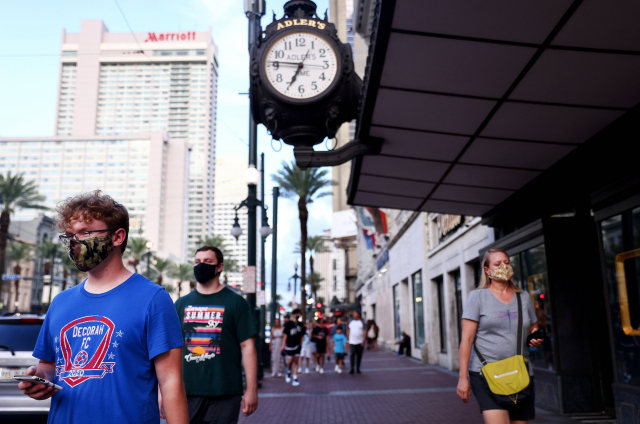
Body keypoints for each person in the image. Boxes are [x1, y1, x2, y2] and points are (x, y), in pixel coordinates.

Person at [18, 191, 188, 423]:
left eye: (85, 233)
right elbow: (49, 366)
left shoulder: (153, 298)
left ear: (117, 237)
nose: (75, 242)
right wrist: (39, 379)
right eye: (69, 235)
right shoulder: (60, 302)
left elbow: (171, 382)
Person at [457, 248, 544, 424]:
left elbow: (533, 326)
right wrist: (462, 378)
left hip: (520, 372)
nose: (503, 266)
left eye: (506, 263)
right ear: (487, 270)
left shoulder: (524, 297)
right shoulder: (477, 297)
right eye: (497, 264)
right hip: (486, 373)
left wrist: (534, 337)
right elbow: (466, 340)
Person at [174, 246, 258, 424]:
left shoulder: (236, 303)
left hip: (225, 393)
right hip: (186, 392)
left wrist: (251, 389)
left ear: (219, 267)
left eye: (207, 262)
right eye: (197, 262)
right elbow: (172, 349)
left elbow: (247, 347)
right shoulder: (181, 304)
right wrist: (163, 391)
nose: (201, 265)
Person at [281, 309, 305, 386]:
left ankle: (295, 378)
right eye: (297, 314)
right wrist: (283, 345)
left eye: (299, 314)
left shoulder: (301, 325)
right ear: (294, 314)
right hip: (289, 345)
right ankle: (289, 371)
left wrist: (300, 344)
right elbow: (285, 335)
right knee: (290, 361)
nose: (298, 315)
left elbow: (302, 335)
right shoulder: (289, 324)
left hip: (297, 346)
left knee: (296, 361)